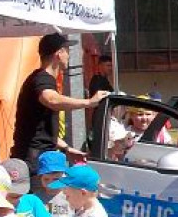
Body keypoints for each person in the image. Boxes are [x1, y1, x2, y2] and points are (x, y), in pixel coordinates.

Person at [12, 33, 110, 173]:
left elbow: (41, 130)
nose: (69, 56)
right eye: (67, 51)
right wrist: (89, 102)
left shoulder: (41, 78)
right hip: (34, 158)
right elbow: (51, 99)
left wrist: (66, 148)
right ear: (59, 53)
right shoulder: (42, 79)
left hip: (38, 155)